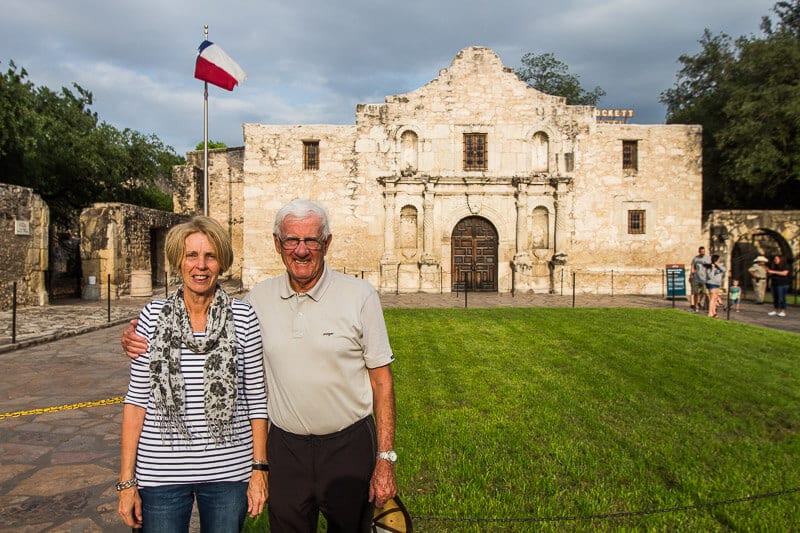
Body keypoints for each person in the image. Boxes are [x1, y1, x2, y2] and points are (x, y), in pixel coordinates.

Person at [122, 200, 397, 532]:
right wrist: (134, 337)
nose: (301, 250)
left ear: (327, 243)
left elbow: (382, 382)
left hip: (346, 445)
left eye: (311, 240)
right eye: (291, 240)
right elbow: (140, 395)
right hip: (284, 449)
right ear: (277, 244)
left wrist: (385, 459)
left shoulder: (359, 296)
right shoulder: (255, 302)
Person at [117, 216, 268, 532]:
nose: (201, 265)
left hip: (229, 470)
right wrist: (127, 481)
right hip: (161, 474)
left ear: (221, 262)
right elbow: (136, 400)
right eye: (192, 256)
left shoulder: (244, 317)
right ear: (178, 261)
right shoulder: (152, 316)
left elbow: (257, 399)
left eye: (210, 256)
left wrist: (259, 469)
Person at [705, 254, 726, 318]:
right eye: (718, 259)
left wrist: (717, 265)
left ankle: (714, 312)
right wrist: (713, 268)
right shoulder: (709, 267)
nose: (719, 260)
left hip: (717, 284)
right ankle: (710, 313)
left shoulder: (719, 266)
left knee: (715, 298)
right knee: (712, 298)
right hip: (712, 283)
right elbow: (710, 276)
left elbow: (724, 270)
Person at [689, 246, 710, 313]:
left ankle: (709, 307)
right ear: (699, 251)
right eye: (701, 252)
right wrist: (691, 275)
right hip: (696, 278)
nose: (702, 253)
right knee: (696, 293)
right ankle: (696, 307)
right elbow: (692, 267)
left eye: (703, 251)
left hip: (704, 279)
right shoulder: (695, 258)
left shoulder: (708, 258)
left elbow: (710, 268)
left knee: (706, 293)